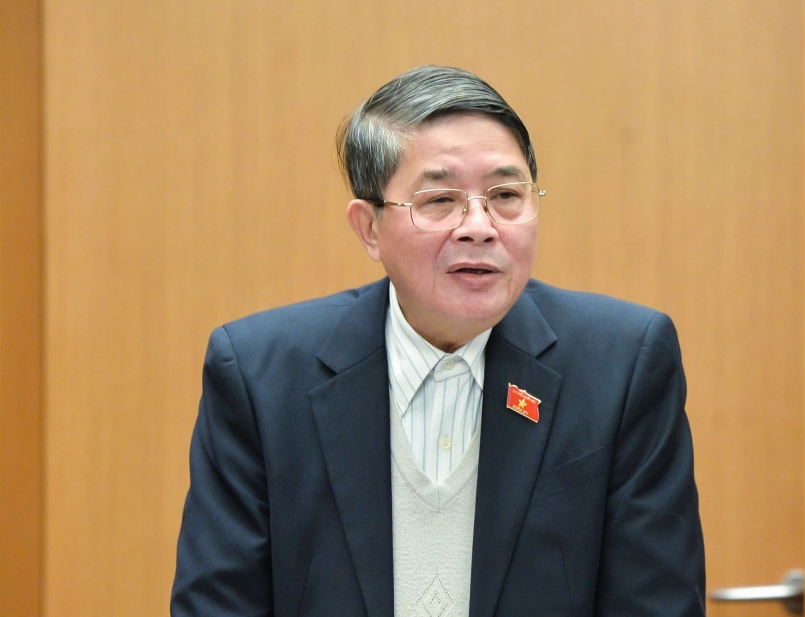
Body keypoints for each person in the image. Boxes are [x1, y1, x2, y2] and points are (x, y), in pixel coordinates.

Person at [171, 65, 705, 617]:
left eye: (506, 195)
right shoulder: (260, 376)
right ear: (370, 229)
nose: (479, 226)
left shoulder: (622, 364)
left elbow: (657, 601)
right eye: (439, 200)